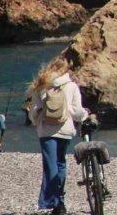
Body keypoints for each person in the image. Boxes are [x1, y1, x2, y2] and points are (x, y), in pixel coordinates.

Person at [29, 69, 89, 215]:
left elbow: (34, 112)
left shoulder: (42, 86)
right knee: (60, 164)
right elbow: (76, 112)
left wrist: (35, 122)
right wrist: (85, 115)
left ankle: (53, 202)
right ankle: (60, 202)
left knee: (50, 166)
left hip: (46, 132)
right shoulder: (71, 86)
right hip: (66, 131)